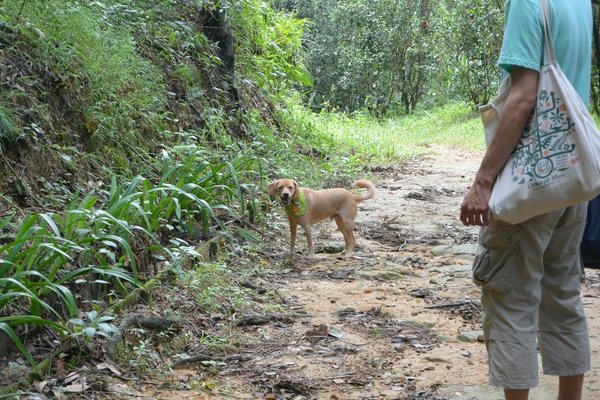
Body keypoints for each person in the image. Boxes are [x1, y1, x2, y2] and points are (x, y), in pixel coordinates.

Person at [460, 1, 593, 399]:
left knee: (509, 297)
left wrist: (483, 183)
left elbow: (522, 98)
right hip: (574, 175)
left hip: (530, 183)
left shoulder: (528, 3)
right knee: (564, 296)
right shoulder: (580, 3)